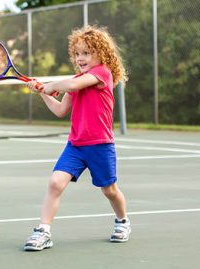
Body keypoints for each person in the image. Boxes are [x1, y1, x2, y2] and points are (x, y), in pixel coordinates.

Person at [23, 25, 130, 251]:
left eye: (87, 53)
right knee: (55, 183)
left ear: (102, 54)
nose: (81, 58)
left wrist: (49, 85)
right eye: (77, 53)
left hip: (100, 145)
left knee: (109, 190)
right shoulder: (77, 80)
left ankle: (122, 222)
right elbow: (61, 110)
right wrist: (43, 92)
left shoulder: (102, 73)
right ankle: (43, 231)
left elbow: (71, 84)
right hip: (76, 145)